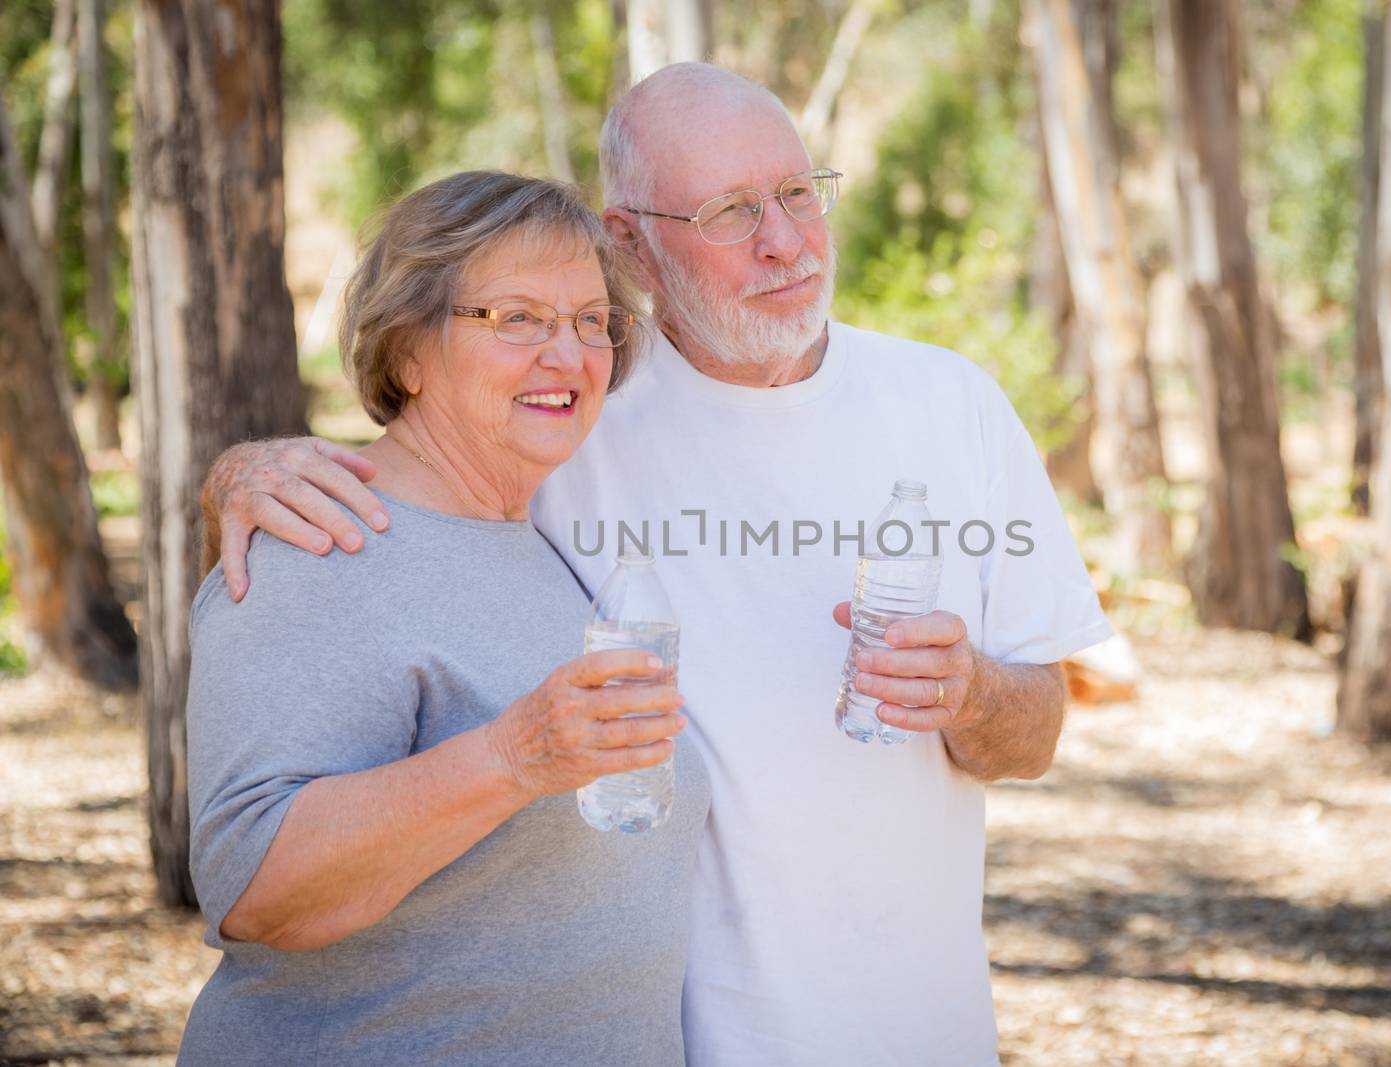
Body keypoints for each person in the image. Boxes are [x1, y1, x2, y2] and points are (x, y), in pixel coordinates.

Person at [204, 65, 1112, 1067]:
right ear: (631, 239)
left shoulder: (954, 405)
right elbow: (405, 492)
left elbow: (1033, 733)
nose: (785, 239)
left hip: (919, 1029)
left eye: (799, 192)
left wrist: (974, 689)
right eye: (729, 211)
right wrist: (242, 473)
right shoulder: (568, 421)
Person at [179, 171, 709, 1067]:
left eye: (591, 321)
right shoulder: (318, 539)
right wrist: (511, 758)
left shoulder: (545, 533)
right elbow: (255, 887)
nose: (568, 353)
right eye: (517, 319)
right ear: (406, 349)